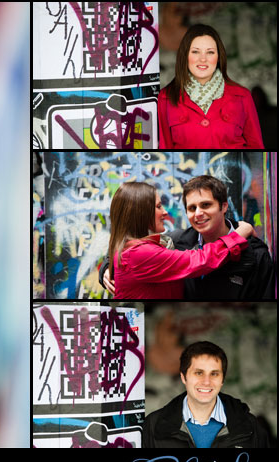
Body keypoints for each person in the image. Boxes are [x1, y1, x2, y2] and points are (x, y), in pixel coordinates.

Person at [100, 175, 275, 299]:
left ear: (223, 207)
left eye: (206, 205)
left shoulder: (256, 253)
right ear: (141, 213)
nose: (198, 213)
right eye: (192, 208)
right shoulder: (176, 242)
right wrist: (107, 269)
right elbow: (202, 260)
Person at [142, 341, 270, 448]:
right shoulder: (153, 425)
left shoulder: (250, 426)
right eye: (199, 373)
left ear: (222, 380)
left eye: (214, 374)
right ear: (183, 377)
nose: (206, 382)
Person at [158, 24, 264, 149]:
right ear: (185, 56)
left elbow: (257, 150)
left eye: (210, 52)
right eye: (195, 52)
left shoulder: (242, 96)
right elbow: (165, 152)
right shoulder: (166, 97)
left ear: (218, 57)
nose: (203, 59)